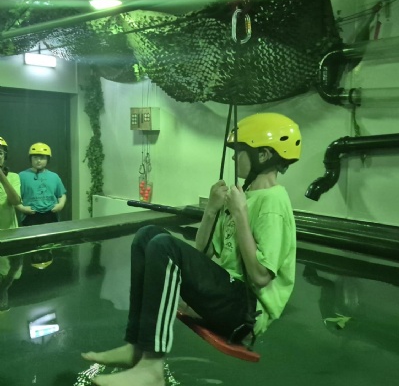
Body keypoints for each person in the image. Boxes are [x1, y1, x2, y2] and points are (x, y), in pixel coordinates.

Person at [81, 113, 302, 386]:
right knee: (147, 236)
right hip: (227, 293)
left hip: (246, 311)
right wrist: (211, 210)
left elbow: (260, 277)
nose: (234, 157)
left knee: (163, 245)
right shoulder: (243, 196)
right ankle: (136, 346)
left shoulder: (273, 202)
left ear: (264, 155)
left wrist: (241, 214)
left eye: (240, 151)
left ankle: (152, 367)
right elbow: (202, 253)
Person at [17, 142, 67, 226]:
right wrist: (22, 208)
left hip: (51, 214)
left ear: (48, 159)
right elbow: (14, 198)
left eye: (42, 158)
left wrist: (60, 205)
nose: (38, 161)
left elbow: (61, 194)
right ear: (30, 159)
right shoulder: (21, 176)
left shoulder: (54, 176)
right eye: (35, 157)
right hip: (30, 215)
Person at [0, 136, 23, 312]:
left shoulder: (13, 177)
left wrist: (1, 175)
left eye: (0, 153)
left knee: (12, 270)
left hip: (10, 235)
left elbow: (15, 201)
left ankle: (3, 291)